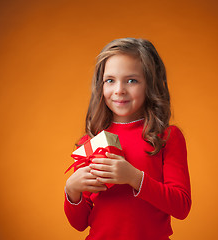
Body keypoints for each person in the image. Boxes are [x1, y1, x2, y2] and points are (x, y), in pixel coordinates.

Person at [64, 38, 191, 240]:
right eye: (110, 80)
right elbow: (80, 224)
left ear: (150, 84)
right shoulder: (89, 141)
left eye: (131, 80)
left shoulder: (167, 137)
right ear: (101, 85)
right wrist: (72, 191)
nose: (119, 90)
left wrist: (134, 177)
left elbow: (181, 206)